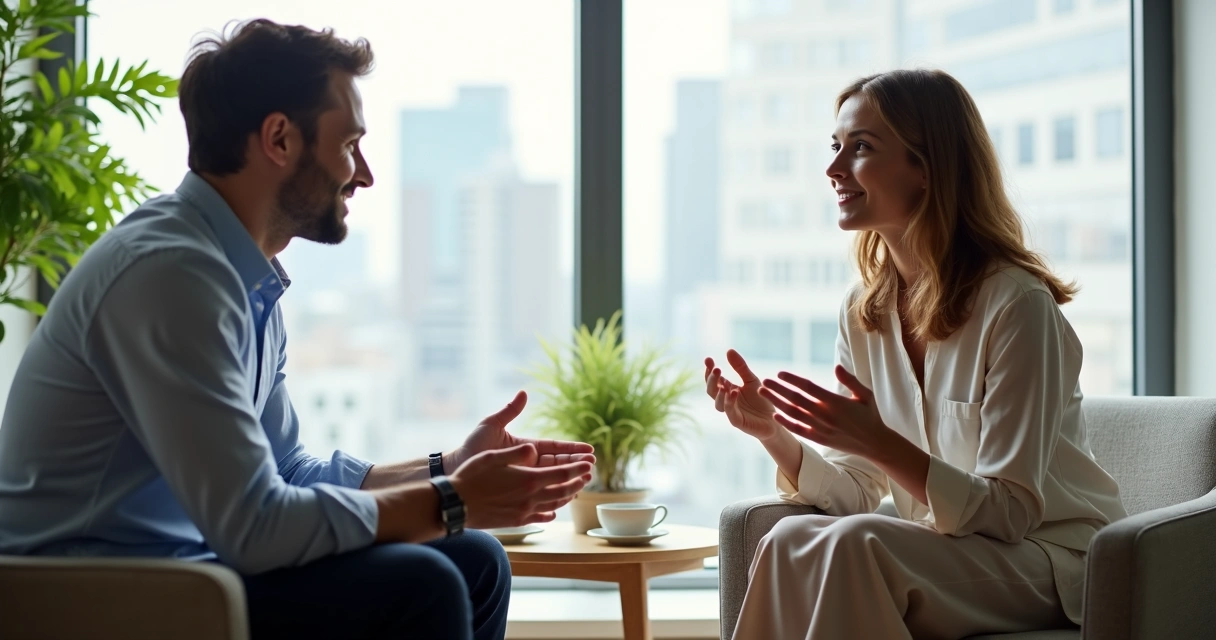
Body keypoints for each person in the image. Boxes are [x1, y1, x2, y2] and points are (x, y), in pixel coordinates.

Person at [0, 19, 595, 640]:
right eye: (349, 145)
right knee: (429, 583)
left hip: (189, 571)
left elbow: (287, 471)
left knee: (475, 561)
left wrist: (447, 467)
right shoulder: (171, 275)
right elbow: (257, 527)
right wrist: (454, 500)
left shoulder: (240, 277)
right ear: (279, 139)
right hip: (99, 597)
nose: (363, 174)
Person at [705, 69, 1127, 639]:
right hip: (943, 550)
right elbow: (858, 492)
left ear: (926, 170)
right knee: (785, 538)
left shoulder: (1016, 305)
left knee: (860, 547)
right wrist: (772, 434)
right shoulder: (864, 312)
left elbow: (1008, 513)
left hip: (1049, 558)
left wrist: (878, 441)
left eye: (861, 148)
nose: (833, 170)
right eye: (835, 147)